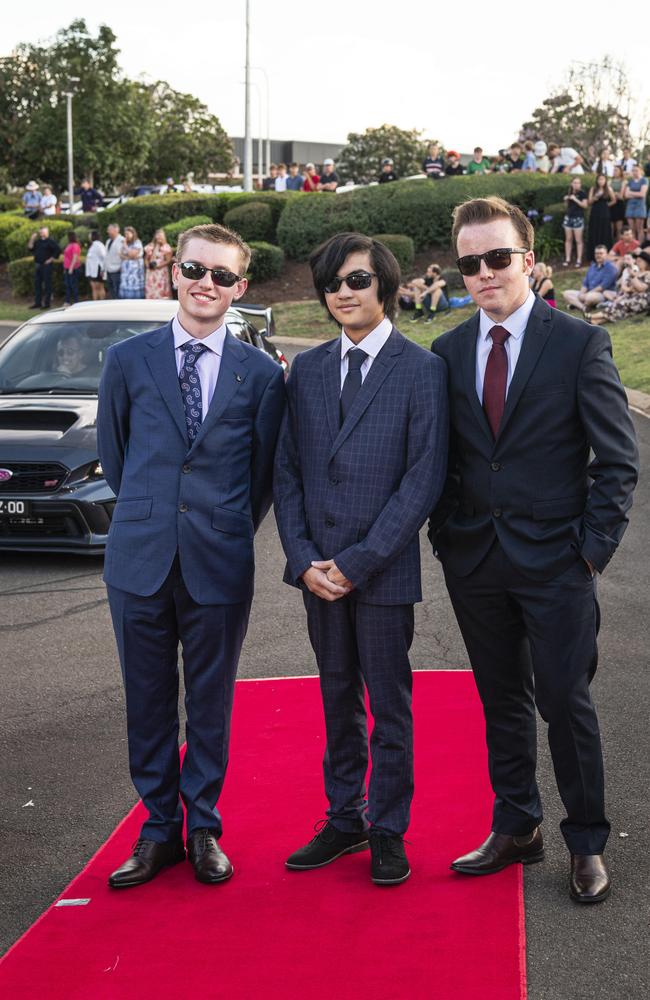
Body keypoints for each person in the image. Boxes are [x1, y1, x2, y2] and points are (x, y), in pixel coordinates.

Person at [429, 195, 638, 904]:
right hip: (476, 561)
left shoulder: (579, 343)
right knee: (501, 703)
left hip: (558, 563)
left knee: (564, 702)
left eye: (497, 258)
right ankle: (518, 826)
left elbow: (617, 461)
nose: (484, 273)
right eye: (470, 263)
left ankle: (585, 842)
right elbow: (447, 461)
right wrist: (445, 537)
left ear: (529, 260)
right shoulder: (449, 351)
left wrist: (590, 552)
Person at [98, 222, 285, 890]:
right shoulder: (128, 360)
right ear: (174, 272)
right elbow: (118, 458)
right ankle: (157, 832)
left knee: (209, 702)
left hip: (219, 558)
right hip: (139, 559)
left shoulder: (262, 375)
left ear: (241, 287)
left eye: (223, 276)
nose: (208, 284)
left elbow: (262, 475)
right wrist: (154, 515)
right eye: (196, 270)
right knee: (147, 700)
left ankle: (202, 825)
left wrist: (221, 523)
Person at [274, 232, 448, 886]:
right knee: (335, 696)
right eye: (333, 284)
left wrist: (359, 561)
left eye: (357, 281)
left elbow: (423, 479)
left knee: (388, 705)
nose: (343, 293)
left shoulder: (423, 370)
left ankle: (387, 828)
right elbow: (285, 473)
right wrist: (305, 559)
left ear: (386, 287)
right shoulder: (308, 370)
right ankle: (343, 817)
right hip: (317, 575)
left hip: (381, 572)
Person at [589, 251, 650, 324]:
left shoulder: (648, 274)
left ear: (646, 263)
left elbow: (641, 288)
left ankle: (591, 316)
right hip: (630, 297)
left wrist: (633, 277)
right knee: (619, 307)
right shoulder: (634, 272)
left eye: (640, 261)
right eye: (637, 261)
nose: (637, 263)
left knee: (621, 305)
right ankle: (595, 322)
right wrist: (626, 292)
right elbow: (626, 287)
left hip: (641, 299)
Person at [562, 245, 618, 311]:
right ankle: (583, 307)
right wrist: (581, 294)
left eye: (601, 253)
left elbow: (602, 287)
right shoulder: (592, 266)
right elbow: (585, 283)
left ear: (606, 254)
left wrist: (586, 294)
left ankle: (577, 305)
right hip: (588, 292)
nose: (598, 255)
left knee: (590, 297)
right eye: (596, 253)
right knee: (566, 293)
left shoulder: (611, 268)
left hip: (602, 294)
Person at [27, 226, 61, 309]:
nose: (41, 233)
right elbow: (30, 248)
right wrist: (32, 238)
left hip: (46, 266)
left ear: (47, 232)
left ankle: (47, 303)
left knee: (47, 285)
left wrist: (51, 259)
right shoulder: (38, 242)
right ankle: (37, 303)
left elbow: (58, 250)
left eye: (43, 232)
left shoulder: (50, 241)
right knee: (37, 284)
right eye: (40, 232)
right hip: (38, 265)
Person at [586, 174, 616, 260]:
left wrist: (607, 206)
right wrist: (595, 197)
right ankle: (593, 255)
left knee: (604, 231)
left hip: (605, 213)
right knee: (594, 231)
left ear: (605, 180)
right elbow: (589, 202)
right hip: (595, 211)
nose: (601, 181)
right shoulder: (593, 189)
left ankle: (606, 255)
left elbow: (614, 200)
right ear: (597, 180)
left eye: (603, 179)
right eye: (599, 179)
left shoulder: (608, 189)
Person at [562, 176, 588, 267]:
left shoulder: (582, 193)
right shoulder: (568, 192)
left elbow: (585, 205)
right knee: (568, 239)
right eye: (575, 182)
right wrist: (566, 200)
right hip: (568, 218)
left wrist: (575, 199)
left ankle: (579, 259)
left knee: (578, 240)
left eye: (578, 183)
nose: (576, 184)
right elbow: (566, 206)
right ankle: (567, 258)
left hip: (578, 218)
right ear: (571, 184)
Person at [144, 228, 173, 300]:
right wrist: (147, 265)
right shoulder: (150, 246)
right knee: (151, 287)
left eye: (161, 236)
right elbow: (146, 258)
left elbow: (168, 260)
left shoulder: (166, 247)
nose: (159, 237)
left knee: (161, 287)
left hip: (161, 271)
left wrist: (158, 266)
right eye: (158, 235)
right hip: (151, 271)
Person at [622, 164, 648, 242]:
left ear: (641, 171)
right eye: (633, 170)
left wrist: (631, 193)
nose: (634, 172)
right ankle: (632, 248)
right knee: (631, 229)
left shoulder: (644, 180)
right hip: (630, 206)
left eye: (636, 170)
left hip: (639, 206)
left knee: (639, 229)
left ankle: (640, 248)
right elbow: (626, 195)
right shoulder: (630, 181)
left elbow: (642, 194)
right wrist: (636, 193)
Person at [118, 226, 145, 299]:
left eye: (127, 234)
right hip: (126, 272)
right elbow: (120, 254)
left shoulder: (137, 242)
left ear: (133, 233)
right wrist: (129, 257)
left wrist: (125, 246)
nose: (126, 236)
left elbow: (132, 254)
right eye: (125, 234)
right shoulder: (127, 243)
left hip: (134, 272)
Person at [62, 230, 82, 307]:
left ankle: (76, 302)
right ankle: (67, 301)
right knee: (68, 285)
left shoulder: (75, 245)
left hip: (73, 268)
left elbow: (75, 257)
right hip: (67, 268)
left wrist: (71, 268)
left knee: (73, 285)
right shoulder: (69, 245)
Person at [85, 229, 106, 300]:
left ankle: (101, 303)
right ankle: (95, 303)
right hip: (92, 271)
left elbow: (104, 256)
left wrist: (103, 269)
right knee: (94, 288)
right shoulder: (92, 245)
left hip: (98, 270)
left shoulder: (98, 245)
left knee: (99, 287)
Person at [610, 165, 627, 240]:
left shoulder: (624, 181)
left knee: (619, 228)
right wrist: (615, 194)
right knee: (610, 228)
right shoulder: (609, 181)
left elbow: (621, 196)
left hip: (619, 205)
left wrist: (613, 193)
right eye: (614, 170)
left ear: (620, 172)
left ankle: (619, 246)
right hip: (611, 205)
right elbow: (607, 193)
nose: (614, 171)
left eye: (616, 170)